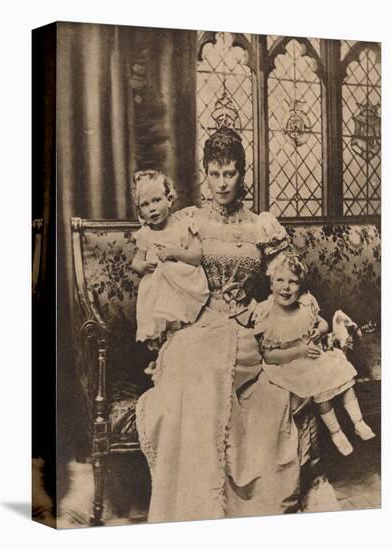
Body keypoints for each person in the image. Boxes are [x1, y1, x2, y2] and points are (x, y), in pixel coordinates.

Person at [136, 128, 338, 523]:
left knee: (237, 380)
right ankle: (195, 506)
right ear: (205, 175)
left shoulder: (261, 225)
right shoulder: (189, 220)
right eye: (214, 173)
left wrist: (265, 310)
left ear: (242, 174)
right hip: (199, 321)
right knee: (190, 364)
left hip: (245, 326)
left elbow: (289, 278)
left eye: (230, 173)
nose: (222, 182)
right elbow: (160, 262)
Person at [253, 252, 375, 456]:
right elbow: (268, 356)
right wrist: (298, 350)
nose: (286, 287)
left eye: (293, 282)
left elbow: (323, 322)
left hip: (314, 358)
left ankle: (358, 421)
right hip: (289, 365)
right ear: (271, 283)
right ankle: (336, 432)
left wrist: (319, 331)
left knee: (342, 373)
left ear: (300, 285)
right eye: (280, 280)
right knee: (320, 389)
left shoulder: (305, 304)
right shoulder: (266, 313)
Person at [131, 169, 209, 352]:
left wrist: (174, 253)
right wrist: (143, 266)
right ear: (140, 212)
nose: (152, 208)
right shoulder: (145, 235)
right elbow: (135, 262)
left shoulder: (182, 227)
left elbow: (197, 257)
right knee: (159, 329)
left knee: (179, 330)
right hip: (155, 293)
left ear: (170, 199)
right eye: (145, 204)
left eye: (157, 200)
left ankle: (177, 354)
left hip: (180, 287)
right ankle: (161, 360)